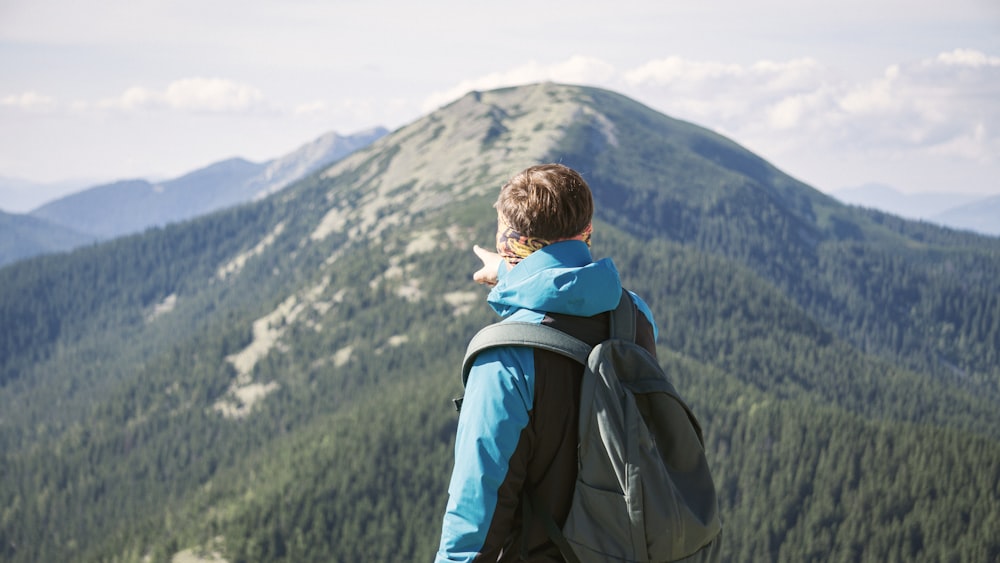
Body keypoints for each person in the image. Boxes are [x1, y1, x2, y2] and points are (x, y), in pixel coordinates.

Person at [435, 163, 659, 562]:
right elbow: (569, 289)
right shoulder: (635, 316)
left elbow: (474, 522)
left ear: (511, 243)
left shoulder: (504, 358)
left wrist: (510, 272)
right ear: (585, 231)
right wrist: (508, 271)